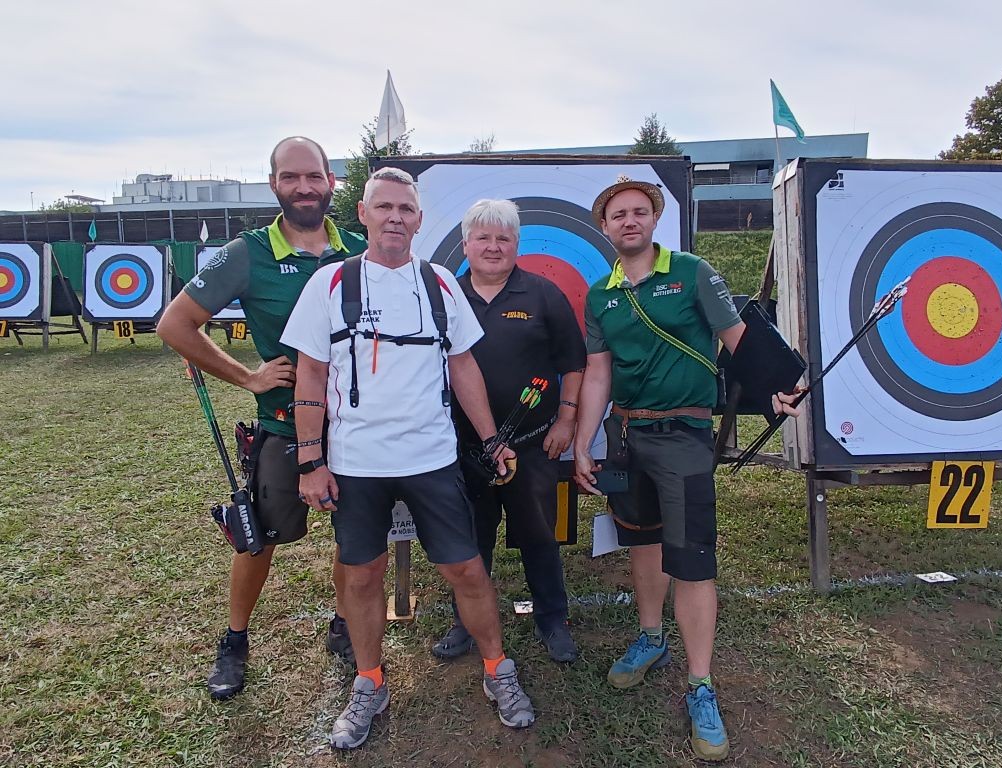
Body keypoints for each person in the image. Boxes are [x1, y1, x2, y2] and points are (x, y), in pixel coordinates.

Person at [282, 168, 536, 750]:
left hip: (432, 458)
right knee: (362, 574)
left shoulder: (441, 282)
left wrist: (491, 439)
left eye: (406, 209)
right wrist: (311, 462)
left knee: (466, 570)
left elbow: (462, 365)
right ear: (363, 214)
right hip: (356, 463)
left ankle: (497, 669)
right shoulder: (329, 282)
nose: (395, 217)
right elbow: (311, 374)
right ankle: (369, 682)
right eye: (384, 207)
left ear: (419, 220)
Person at [572, 176, 800, 762]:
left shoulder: (693, 273)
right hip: (625, 436)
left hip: (684, 435)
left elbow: (738, 339)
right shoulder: (600, 295)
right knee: (641, 539)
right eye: (617, 214)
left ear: (654, 220)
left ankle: (700, 683)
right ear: (605, 227)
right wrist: (583, 442)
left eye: (638, 211)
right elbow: (598, 373)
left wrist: (775, 388)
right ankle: (651, 638)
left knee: (693, 559)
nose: (629, 221)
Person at [157, 136, 363, 701]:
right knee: (257, 540)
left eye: (313, 176)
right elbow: (175, 324)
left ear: (331, 183)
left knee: (353, 536)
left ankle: (345, 624)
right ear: (274, 184)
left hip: (354, 427)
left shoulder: (360, 248)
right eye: (290, 177)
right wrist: (247, 377)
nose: (304, 187)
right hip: (283, 425)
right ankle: (234, 640)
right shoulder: (246, 253)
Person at [431, 199, 586, 664]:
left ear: (517, 245)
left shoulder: (543, 294)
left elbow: (573, 363)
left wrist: (566, 420)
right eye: (483, 237)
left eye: (503, 238)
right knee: (469, 541)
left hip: (532, 444)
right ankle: (465, 622)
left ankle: (552, 620)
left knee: (539, 535)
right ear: (466, 245)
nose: (493, 247)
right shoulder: (444, 297)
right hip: (463, 448)